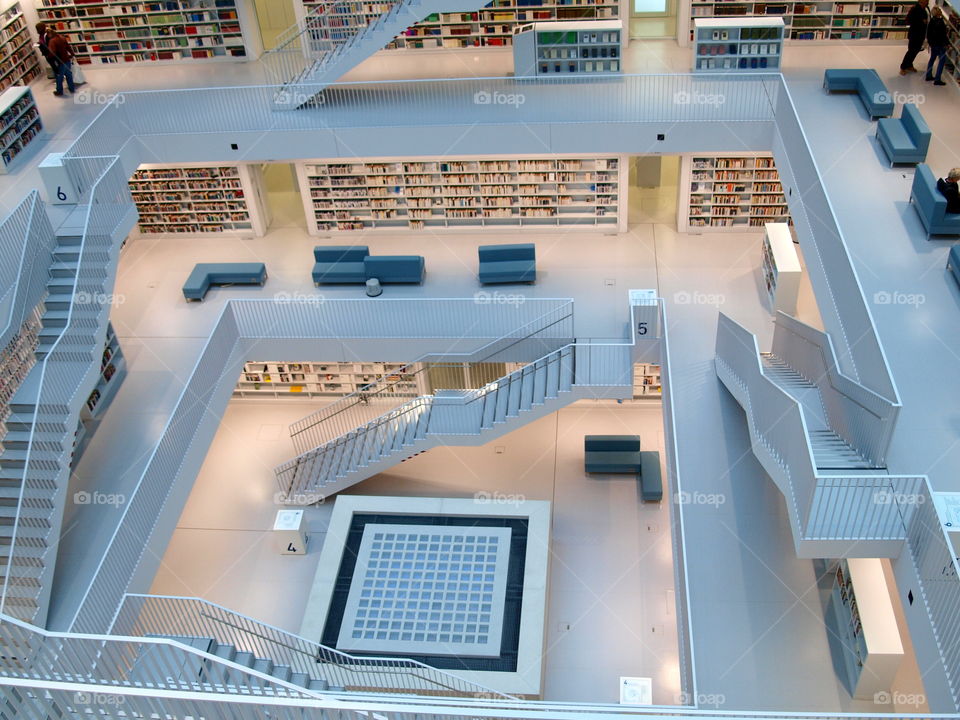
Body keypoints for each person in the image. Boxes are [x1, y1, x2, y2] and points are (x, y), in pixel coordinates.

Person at [900, 0, 929, 75]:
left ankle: (909, 65)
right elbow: (908, 21)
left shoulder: (924, 9)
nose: (928, 2)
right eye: (927, 1)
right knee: (911, 51)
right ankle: (903, 67)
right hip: (914, 34)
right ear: (921, 1)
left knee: (916, 50)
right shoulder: (914, 9)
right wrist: (921, 21)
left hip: (920, 35)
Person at [46, 28, 75, 96]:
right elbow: (68, 47)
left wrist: (48, 57)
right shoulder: (62, 37)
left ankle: (59, 91)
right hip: (67, 59)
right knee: (69, 75)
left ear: (49, 34)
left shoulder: (52, 41)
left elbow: (52, 52)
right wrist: (72, 53)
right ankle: (72, 88)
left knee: (59, 77)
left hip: (60, 61)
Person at [925, 6, 948, 85]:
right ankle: (937, 79)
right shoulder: (940, 22)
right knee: (941, 61)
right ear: (938, 13)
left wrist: (930, 43)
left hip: (933, 44)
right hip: (940, 45)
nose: (941, 11)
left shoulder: (931, 21)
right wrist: (945, 44)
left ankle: (928, 75)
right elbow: (943, 35)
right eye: (940, 10)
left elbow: (928, 33)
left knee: (932, 59)